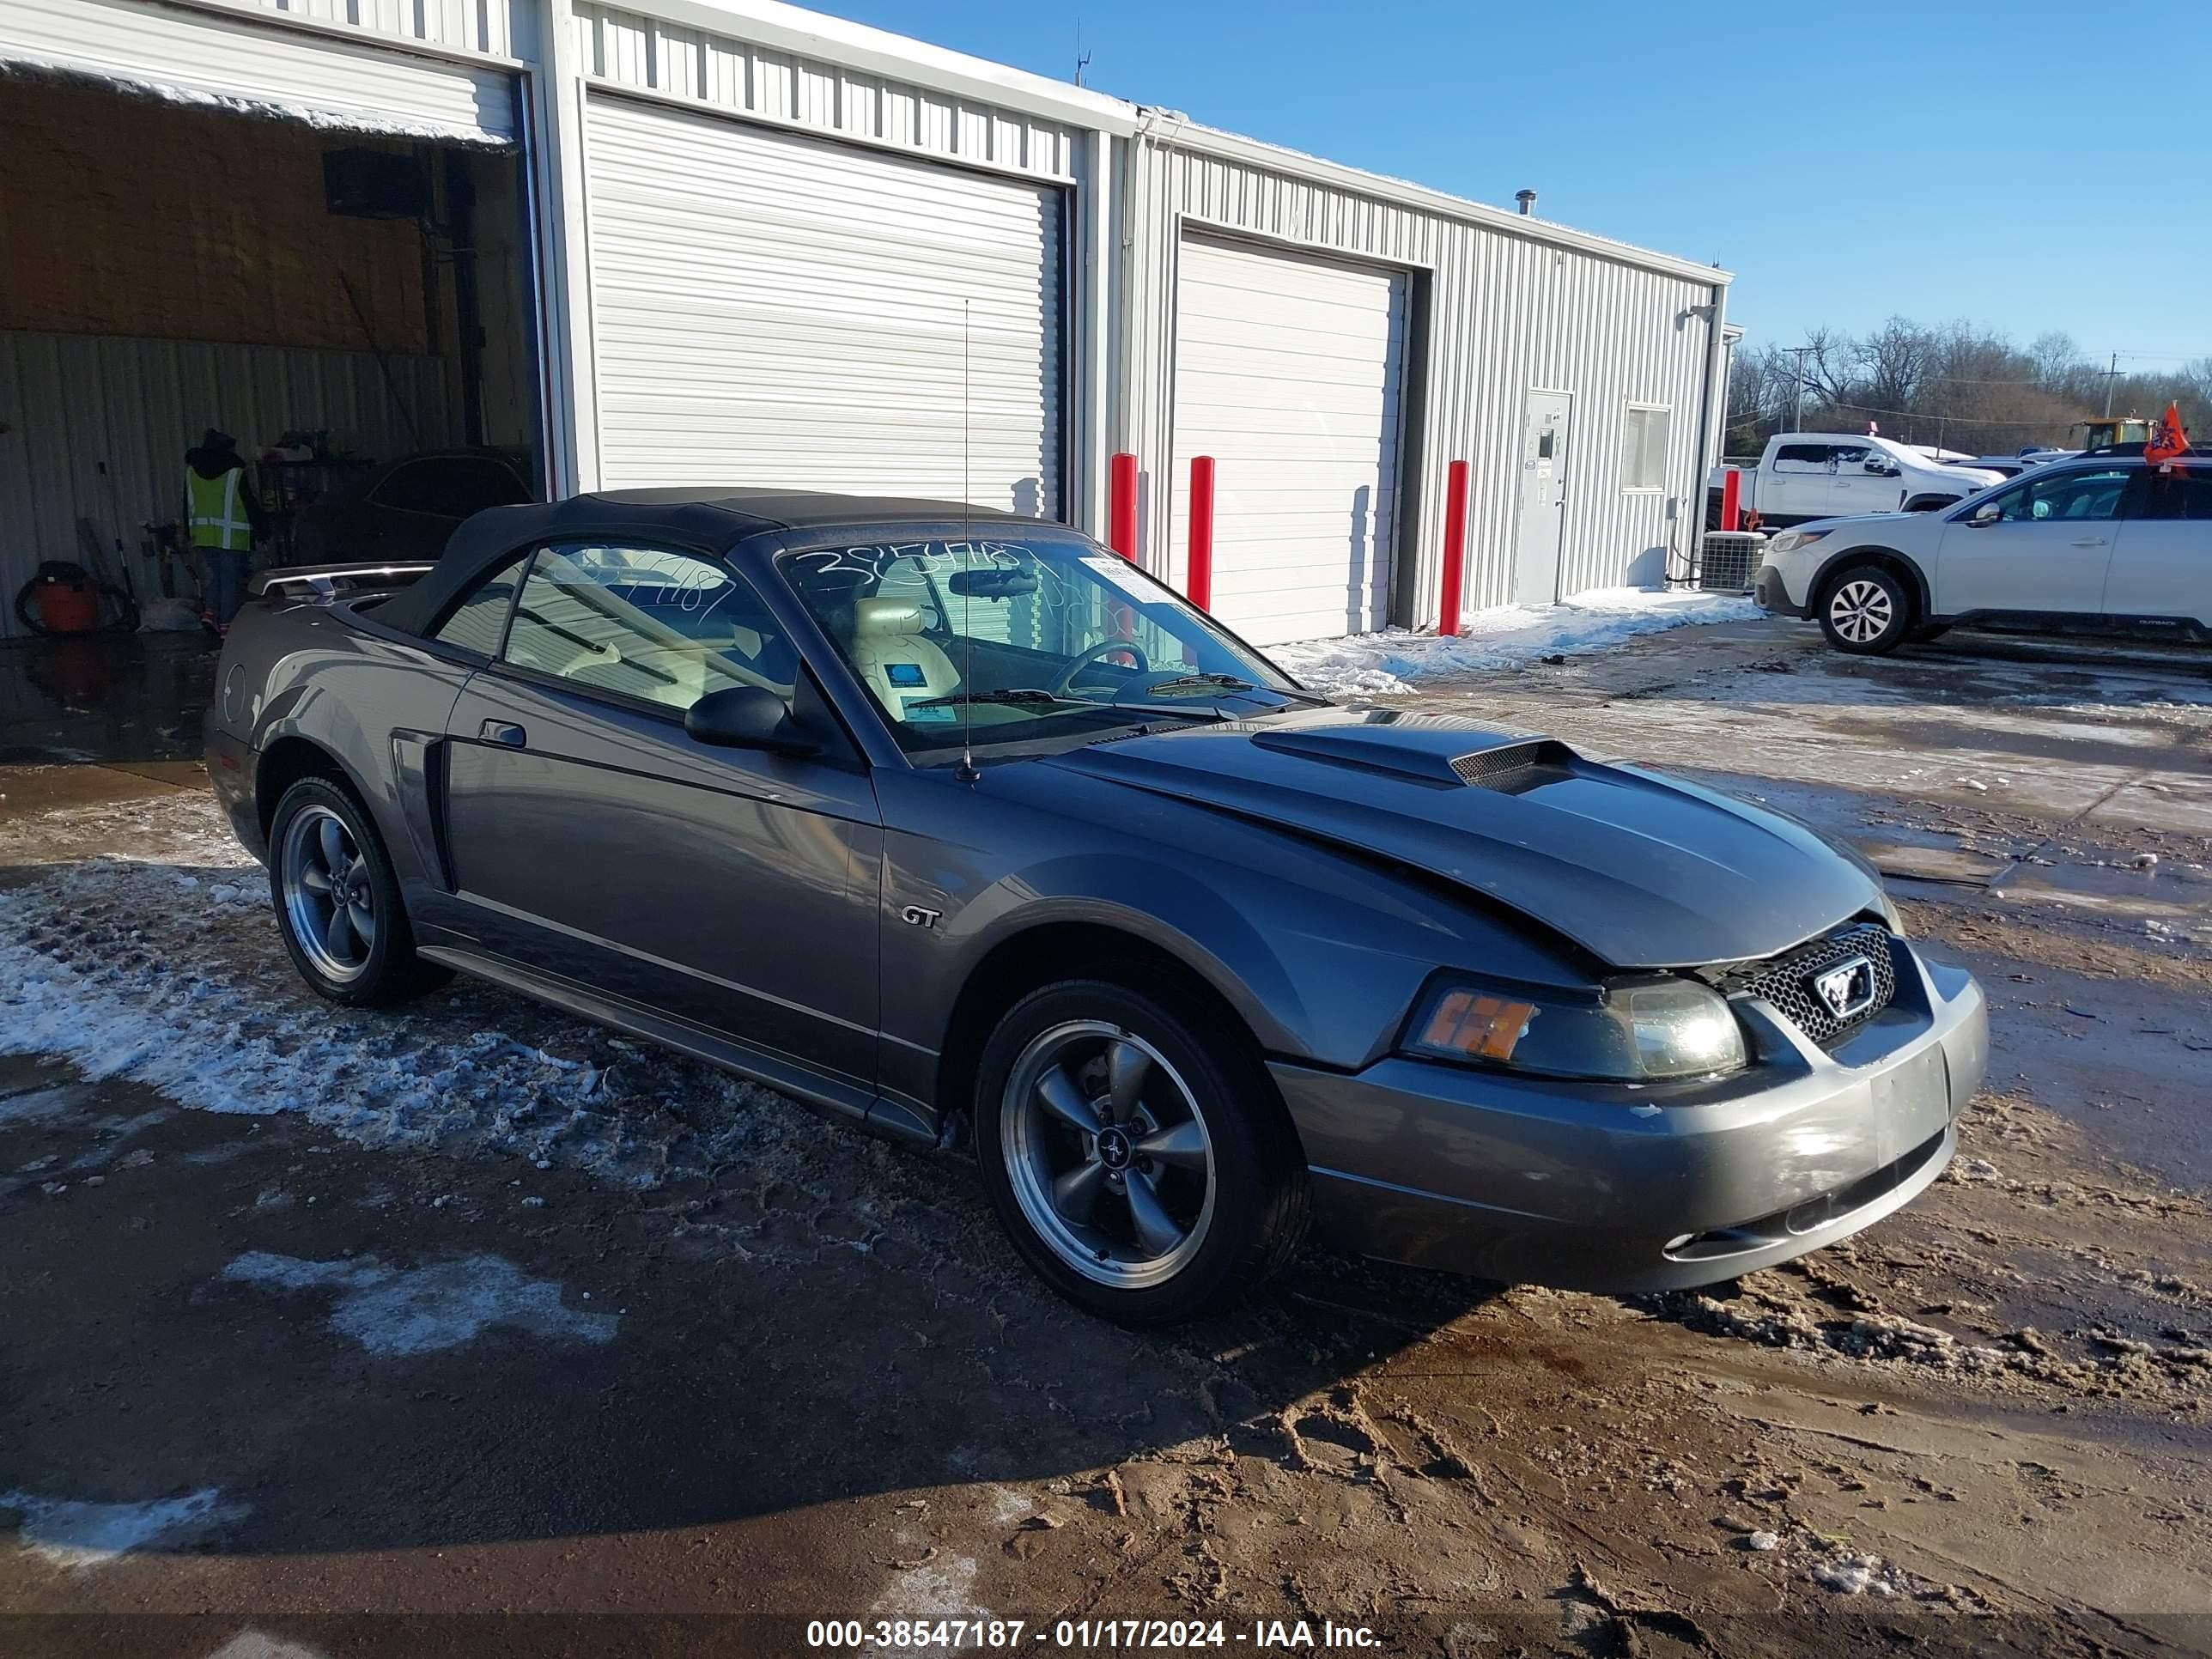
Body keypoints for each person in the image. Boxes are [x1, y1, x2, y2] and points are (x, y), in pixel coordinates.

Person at [184, 428, 265, 631]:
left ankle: (211, 612)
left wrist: (186, 532)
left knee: (214, 577)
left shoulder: (192, 470)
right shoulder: (235, 471)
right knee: (230, 581)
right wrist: (264, 530)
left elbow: (186, 502)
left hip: (203, 535)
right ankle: (227, 624)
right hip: (231, 537)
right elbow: (249, 503)